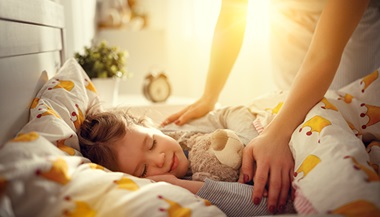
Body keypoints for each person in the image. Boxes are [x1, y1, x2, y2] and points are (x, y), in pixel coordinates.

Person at [161, 0, 380, 213]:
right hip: (288, 15)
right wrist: (209, 95)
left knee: (341, 119)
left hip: (349, 20)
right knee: (292, 114)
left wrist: (277, 133)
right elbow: (232, 12)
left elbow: (322, 56)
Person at [78, 105, 296, 215]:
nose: (160, 159)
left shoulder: (180, 135)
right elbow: (270, 207)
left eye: (152, 143)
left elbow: (234, 111)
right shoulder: (177, 193)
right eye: (144, 170)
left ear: (151, 126)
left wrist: (249, 144)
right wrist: (183, 185)